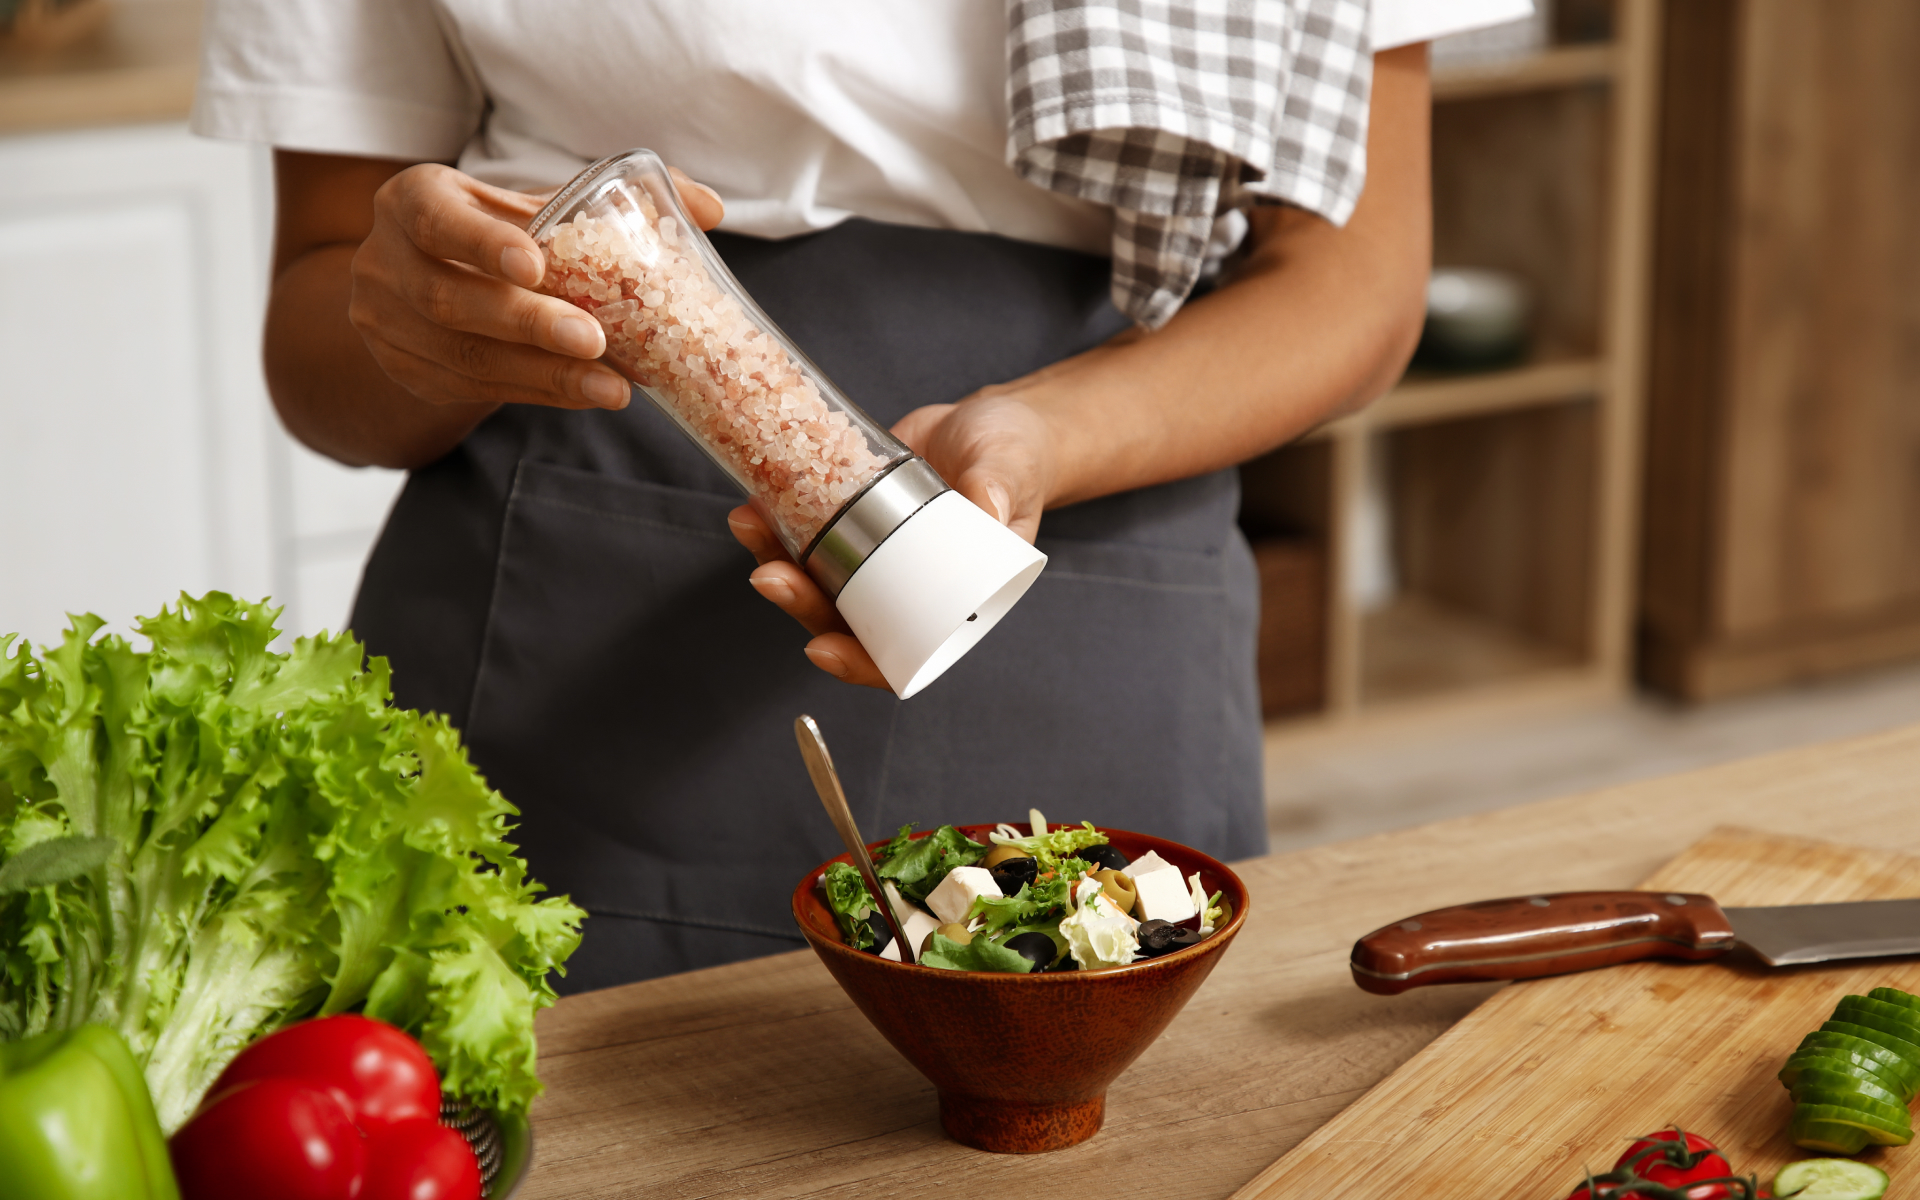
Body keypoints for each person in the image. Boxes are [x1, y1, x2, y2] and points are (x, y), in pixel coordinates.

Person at [193, 0, 1531, 990]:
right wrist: (424, 321)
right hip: (564, 634)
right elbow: (319, 337)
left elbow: (1352, 284)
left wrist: (1041, 436)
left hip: (1091, 563)